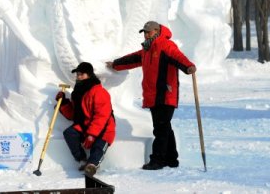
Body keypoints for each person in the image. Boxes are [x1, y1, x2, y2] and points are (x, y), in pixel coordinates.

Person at [106, 21, 196, 170]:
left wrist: (188, 67)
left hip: (165, 94)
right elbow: (133, 59)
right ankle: (171, 159)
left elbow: (178, 57)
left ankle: (157, 160)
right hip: (153, 95)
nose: (146, 35)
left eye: (149, 32)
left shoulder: (166, 45)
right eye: (145, 32)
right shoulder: (147, 49)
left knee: (160, 128)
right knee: (164, 126)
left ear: (157, 31)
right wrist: (115, 64)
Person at [57, 61, 115, 177]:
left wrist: (92, 134)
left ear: (89, 75)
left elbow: (102, 116)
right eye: (77, 74)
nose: (79, 77)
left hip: (103, 127)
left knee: (99, 144)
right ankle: (83, 160)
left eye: (81, 74)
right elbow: (73, 115)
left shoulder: (99, 92)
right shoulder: (78, 92)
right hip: (85, 125)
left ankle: (92, 165)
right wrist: (63, 103)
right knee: (70, 133)